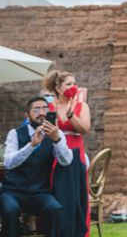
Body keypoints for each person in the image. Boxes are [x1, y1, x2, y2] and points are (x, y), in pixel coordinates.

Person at [0, 96, 73, 237]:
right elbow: (8, 162)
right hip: (13, 191)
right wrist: (31, 145)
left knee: (55, 209)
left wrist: (56, 140)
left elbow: (67, 161)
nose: (42, 112)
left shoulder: (57, 135)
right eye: (36, 109)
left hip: (40, 192)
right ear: (27, 115)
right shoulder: (15, 134)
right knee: (10, 210)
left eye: (45, 108)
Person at [44, 70, 91, 237]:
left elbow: (85, 129)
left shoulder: (81, 106)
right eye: (69, 84)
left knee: (77, 193)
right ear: (58, 87)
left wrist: (71, 116)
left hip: (75, 149)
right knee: (57, 191)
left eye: (75, 83)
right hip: (54, 151)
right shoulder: (49, 107)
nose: (74, 87)